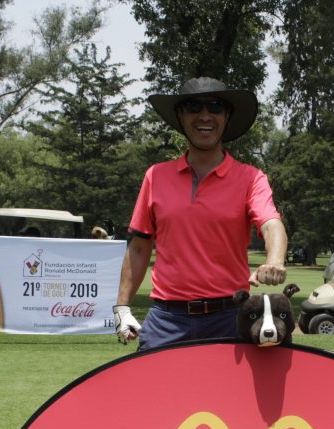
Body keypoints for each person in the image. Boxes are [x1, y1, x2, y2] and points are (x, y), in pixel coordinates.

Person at [112, 77, 288, 350]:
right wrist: (122, 307)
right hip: (166, 320)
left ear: (227, 117)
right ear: (180, 116)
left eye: (215, 107)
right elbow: (138, 247)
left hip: (230, 319)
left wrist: (274, 260)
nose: (205, 115)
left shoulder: (251, 178)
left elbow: (271, 224)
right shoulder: (155, 176)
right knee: (148, 380)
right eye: (194, 107)